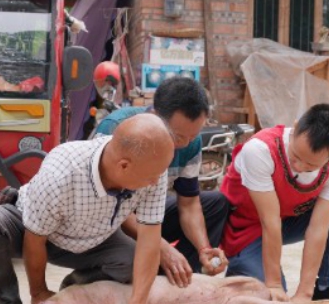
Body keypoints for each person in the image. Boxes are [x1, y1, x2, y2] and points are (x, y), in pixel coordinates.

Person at [0, 114, 175, 304]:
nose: (156, 181)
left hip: (94, 238)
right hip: (31, 230)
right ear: (124, 165)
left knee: (132, 262)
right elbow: (35, 240)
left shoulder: (154, 168)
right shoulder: (62, 172)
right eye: (151, 177)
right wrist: (39, 292)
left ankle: (74, 287)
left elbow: (149, 239)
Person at [220, 103, 329, 304]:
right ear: (295, 128)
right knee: (270, 300)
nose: (300, 167)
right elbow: (269, 221)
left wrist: (304, 293)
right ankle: (243, 268)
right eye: (295, 157)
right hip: (247, 227)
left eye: (311, 166)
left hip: (287, 220)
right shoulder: (260, 150)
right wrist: (273, 284)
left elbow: (318, 230)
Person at [95, 76, 229, 288]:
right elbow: (107, 205)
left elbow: (189, 204)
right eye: (177, 137)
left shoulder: (190, 143)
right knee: (131, 257)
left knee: (216, 203)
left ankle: (179, 278)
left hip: (150, 215)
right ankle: (95, 276)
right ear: (154, 115)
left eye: (192, 136)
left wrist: (204, 249)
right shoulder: (117, 129)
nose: (183, 144)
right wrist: (162, 248)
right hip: (110, 218)